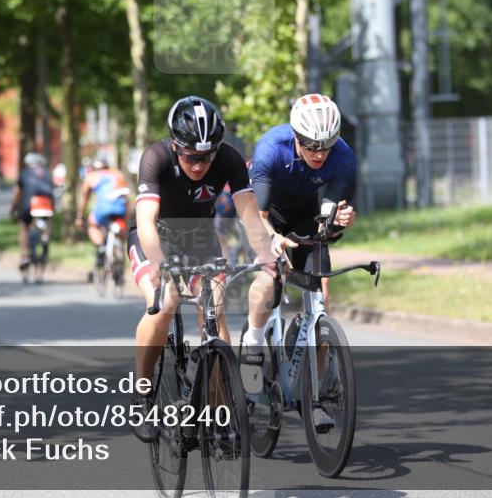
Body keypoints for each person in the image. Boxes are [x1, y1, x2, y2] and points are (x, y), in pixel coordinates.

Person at [129, 96, 276, 442]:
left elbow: (249, 214)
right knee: (164, 302)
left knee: (215, 314)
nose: (199, 164)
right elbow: (146, 221)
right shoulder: (156, 157)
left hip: (199, 238)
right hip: (156, 238)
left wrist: (265, 255)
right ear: (175, 145)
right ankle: (142, 393)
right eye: (191, 156)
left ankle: (218, 409)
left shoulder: (229, 159)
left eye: (206, 157)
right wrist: (156, 262)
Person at [241, 94, 358, 427]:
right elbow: (257, 214)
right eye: (311, 146)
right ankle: (252, 344)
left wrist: (340, 221)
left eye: (326, 146)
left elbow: (328, 220)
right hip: (267, 216)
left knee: (321, 300)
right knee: (269, 282)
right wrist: (273, 240)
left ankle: (314, 395)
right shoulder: (271, 149)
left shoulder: (344, 157)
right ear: (296, 137)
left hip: (306, 215)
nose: (320, 154)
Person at [76, 156, 130, 275]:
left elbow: (84, 199)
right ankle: (118, 256)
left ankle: (101, 247)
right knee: (120, 230)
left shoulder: (91, 177)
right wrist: (127, 217)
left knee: (92, 224)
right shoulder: (118, 175)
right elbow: (127, 198)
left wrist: (80, 216)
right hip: (121, 209)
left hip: (103, 209)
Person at [10, 152, 55, 272]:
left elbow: (17, 192)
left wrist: (13, 206)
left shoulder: (24, 173)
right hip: (46, 204)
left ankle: (24, 256)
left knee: (24, 226)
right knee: (49, 221)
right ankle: (46, 236)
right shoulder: (47, 173)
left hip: (31, 204)